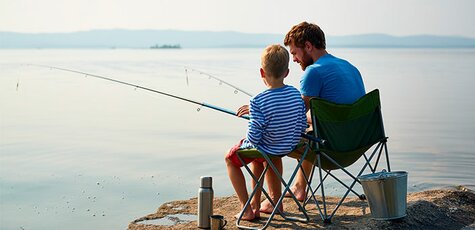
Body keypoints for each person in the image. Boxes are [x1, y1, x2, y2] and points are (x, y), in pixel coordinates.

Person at [250, 21, 366, 213]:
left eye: (295, 53)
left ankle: (272, 200)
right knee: (307, 129)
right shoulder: (350, 66)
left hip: (332, 147)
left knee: (271, 139)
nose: (294, 59)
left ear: (308, 46)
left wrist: (261, 109)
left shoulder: (314, 72)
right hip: (359, 141)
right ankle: (299, 187)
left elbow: (292, 116)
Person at [225, 44, 307, 220]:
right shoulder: (295, 94)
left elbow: (254, 137)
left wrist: (245, 141)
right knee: (262, 159)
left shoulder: (257, 101)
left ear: (262, 73)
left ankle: (246, 207)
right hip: (289, 146)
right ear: (287, 72)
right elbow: (301, 126)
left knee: (230, 159)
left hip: (269, 148)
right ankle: (273, 203)